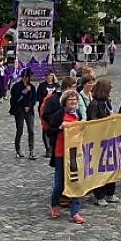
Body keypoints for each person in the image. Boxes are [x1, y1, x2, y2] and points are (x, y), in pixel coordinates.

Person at [48, 90, 86, 224]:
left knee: (76, 181)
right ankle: (54, 204)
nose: (73, 102)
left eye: (75, 100)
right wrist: (60, 128)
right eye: (70, 100)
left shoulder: (78, 114)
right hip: (61, 153)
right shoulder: (59, 115)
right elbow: (50, 132)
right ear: (65, 101)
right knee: (60, 182)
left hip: (75, 153)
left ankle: (75, 212)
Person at [87, 79, 118, 206]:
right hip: (99, 141)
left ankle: (110, 192)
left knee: (111, 166)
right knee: (100, 169)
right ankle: (99, 195)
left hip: (109, 139)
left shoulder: (107, 102)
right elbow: (92, 122)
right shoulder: (94, 104)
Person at [9, 69, 38, 159]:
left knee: (31, 130)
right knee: (20, 130)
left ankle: (31, 150)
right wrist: (25, 91)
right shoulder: (16, 86)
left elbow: (34, 98)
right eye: (28, 77)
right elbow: (15, 98)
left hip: (29, 111)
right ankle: (18, 150)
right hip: (19, 111)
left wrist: (29, 106)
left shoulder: (32, 87)